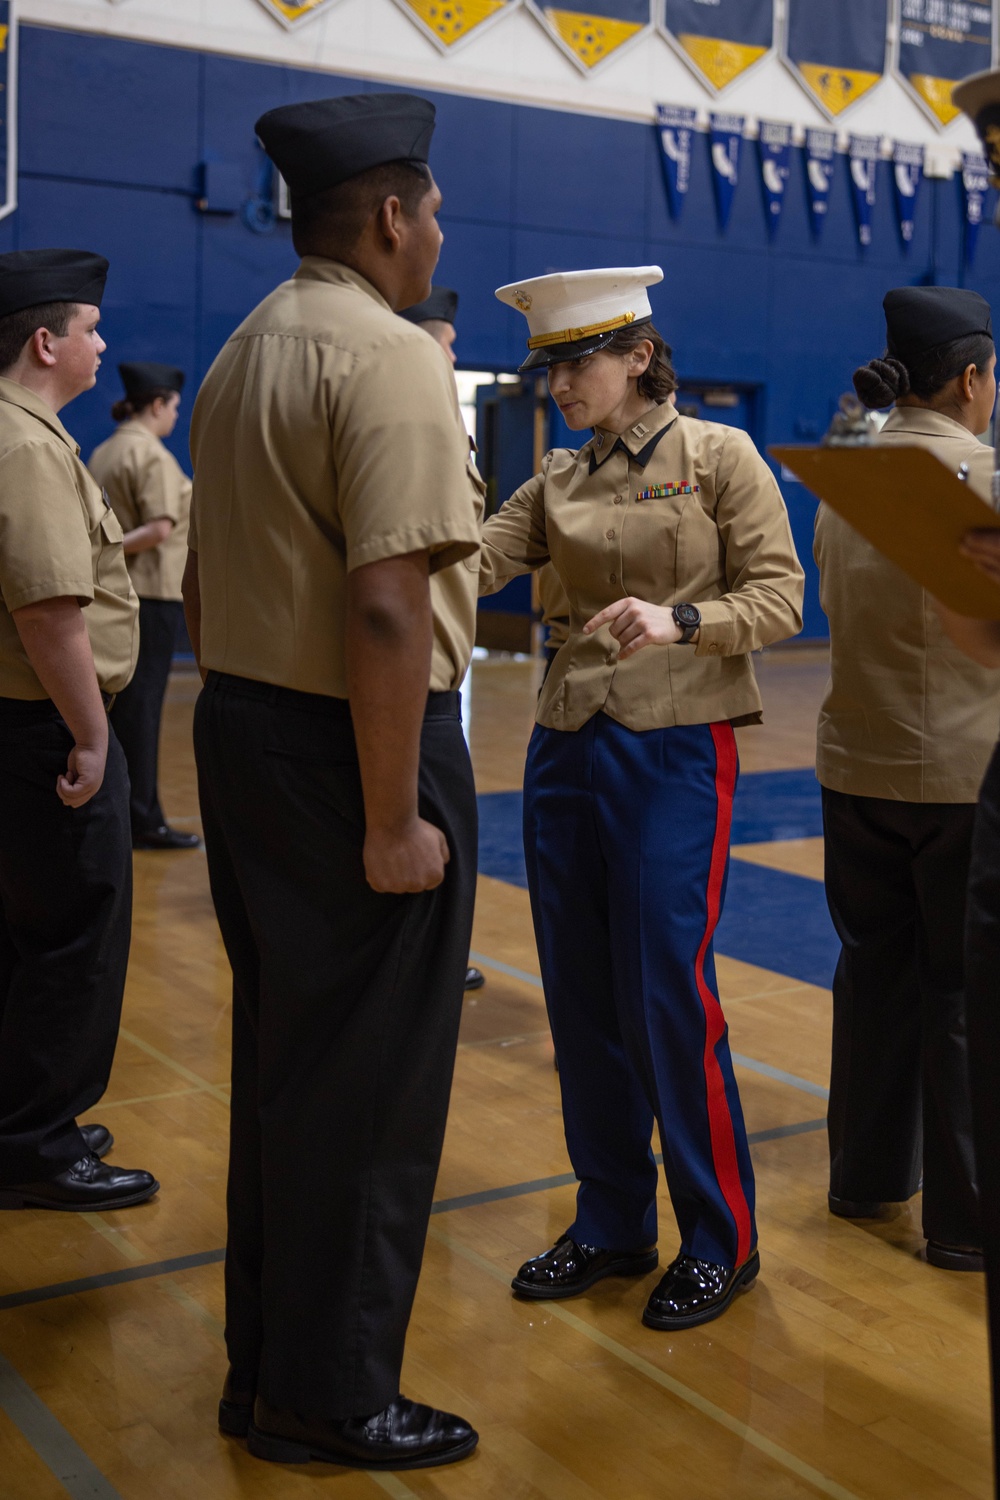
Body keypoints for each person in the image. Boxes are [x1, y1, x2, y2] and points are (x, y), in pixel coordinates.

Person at [184, 93, 482, 1469]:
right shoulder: (387, 354)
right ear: (391, 216)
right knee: (369, 1088)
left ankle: (271, 1371)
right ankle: (332, 1395)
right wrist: (390, 813)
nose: (436, 235)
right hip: (348, 743)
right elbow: (383, 610)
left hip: (244, 726)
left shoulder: (247, 346)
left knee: (292, 1072)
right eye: (431, 213)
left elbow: (195, 577)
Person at [479, 265, 804, 1329]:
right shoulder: (556, 473)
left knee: (667, 991)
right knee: (578, 994)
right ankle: (612, 1222)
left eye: (578, 362)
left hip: (673, 746)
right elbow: (472, 562)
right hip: (567, 742)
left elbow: (780, 594)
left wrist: (685, 621)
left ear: (637, 357)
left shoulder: (719, 456)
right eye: (550, 367)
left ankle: (721, 1240)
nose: (560, 383)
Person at [815, 285, 998, 1272]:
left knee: (874, 979)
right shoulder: (987, 477)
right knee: (963, 1000)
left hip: (856, 765)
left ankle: (867, 1177)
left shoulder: (846, 475)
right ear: (969, 379)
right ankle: (966, 1224)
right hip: (965, 776)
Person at [0, 249, 158, 1213]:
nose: (104, 344)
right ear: (46, 340)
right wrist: (95, 738)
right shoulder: (24, 443)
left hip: (22, 722)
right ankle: (39, 1144)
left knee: (29, 937)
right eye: (92, 328)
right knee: (73, 940)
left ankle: (22, 1118)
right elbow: (50, 610)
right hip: (44, 730)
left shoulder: (28, 433)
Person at [400, 286, 486, 992]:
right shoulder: (414, 423)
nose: (452, 356)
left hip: (419, 673)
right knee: (435, 848)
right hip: (416, 678)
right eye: (449, 343)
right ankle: (426, 965)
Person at [89, 361, 199, 851]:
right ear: (158, 403)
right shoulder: (150, 456)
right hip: (151, 596)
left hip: (113, 596)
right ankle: (144, 819)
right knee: (143, 711)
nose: (176, 415)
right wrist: (106, 549)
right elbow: (159, 528)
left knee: (122, 709)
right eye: (174, 406)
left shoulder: (104, 451)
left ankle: (122, 811)